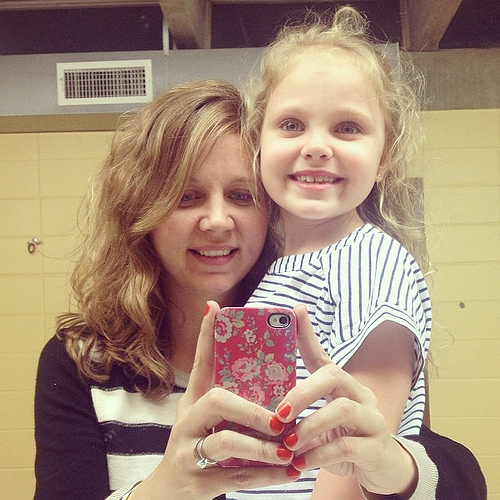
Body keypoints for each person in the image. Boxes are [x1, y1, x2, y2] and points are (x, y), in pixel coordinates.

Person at [33, 79, 486, 500]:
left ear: (270, 208)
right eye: (186, 196)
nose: (216, 221)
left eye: (242, 195)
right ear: (141, 209)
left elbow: (463, 477)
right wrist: (165, 487)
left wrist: (392, 465)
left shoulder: (319, 321)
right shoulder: (82, 362)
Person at [238, 6, 432, 498]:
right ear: (258, 144)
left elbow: (355, 449)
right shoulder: (276, 270)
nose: (317, 146)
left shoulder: (372, 262)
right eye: (291, 125)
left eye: (347, 127)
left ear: (383, 156)